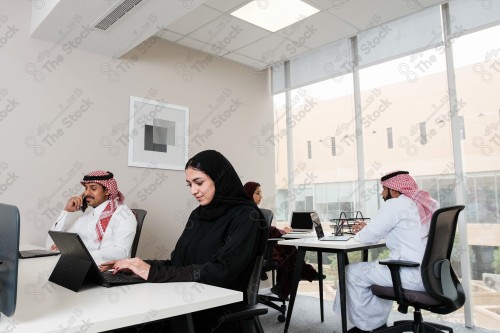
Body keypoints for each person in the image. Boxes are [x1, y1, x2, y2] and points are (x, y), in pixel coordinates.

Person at [101, 150, 267, 332]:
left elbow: (221, 273)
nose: (193, 191)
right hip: (183, 300)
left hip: (215, 311)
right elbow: (178, 263)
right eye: (189, 184)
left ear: (219, 178)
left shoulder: (248, 217)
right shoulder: (198, 214)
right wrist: (137, 265)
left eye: (199, 182)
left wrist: (153, 273)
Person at [333, 171, 439, 333]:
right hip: (433, 275)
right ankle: (376, 324)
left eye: (384, 189)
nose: (382, 193)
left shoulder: (395, 204)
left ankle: (366, 327)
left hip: (409, 273)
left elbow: (367, 238)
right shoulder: (424, 204)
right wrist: (369, 229)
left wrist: (361, 232)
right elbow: (403, 231)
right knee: (373, 274)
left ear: (394, 191)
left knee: (351, 272)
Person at [243, 181, 321, 300]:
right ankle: (300, 273)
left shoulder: (249, 209)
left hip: (254, 249)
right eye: (257, 193)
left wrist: (283, 231)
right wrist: (284, 232)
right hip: (254, 253)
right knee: (286, 249)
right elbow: (267, 230)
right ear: (249, 194)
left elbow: (267, 229)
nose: (261, 196)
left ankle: (296, 276)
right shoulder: (249, 211)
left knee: (286, 247)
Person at [46, 170, 136, 265]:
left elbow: (122, 253)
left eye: (93, 189)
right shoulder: (84, 219)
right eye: (86, 188)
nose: (87, 193)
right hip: (81, 267)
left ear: (107, 191)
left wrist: (80, 254)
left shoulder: (124, 214)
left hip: (109, 273)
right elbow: (50, 244)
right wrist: (66, 212)